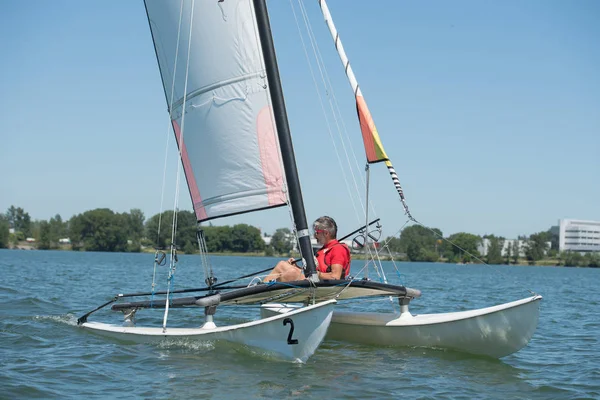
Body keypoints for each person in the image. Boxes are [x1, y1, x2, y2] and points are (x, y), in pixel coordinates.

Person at [263, 216, 351, 283]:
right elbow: (316, 271)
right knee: (283, 265)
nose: (314, 236)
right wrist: (297, 267)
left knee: (286, 269)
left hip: (321, 285)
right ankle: (261, 287)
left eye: (317, 233)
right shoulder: (323, 250)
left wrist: (314, 274)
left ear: (326, 233)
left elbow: (335, 277)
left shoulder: (338, 249)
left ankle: (260, 290)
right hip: (314, 281)